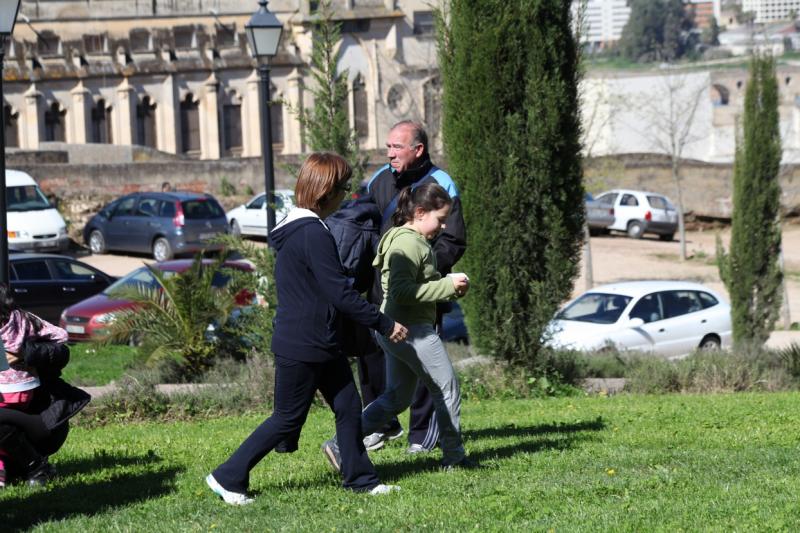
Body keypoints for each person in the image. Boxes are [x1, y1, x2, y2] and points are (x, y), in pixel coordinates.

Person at [206, 153, 408, 505]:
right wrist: (384, 322)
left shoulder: (299, 228)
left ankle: (360, 479)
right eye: (343, 188)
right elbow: (340, 293)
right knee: (286, 419)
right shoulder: (313, 233)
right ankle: (228, 476)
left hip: (320, 340)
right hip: (305, 343)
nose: (346, 195)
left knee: (348, 405)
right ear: (324, 191)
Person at [322, 182, 475, 470]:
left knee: (396, 397)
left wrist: (446, 287)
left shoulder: (405, 239)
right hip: (412, 330)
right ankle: (455, 458)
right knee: (447, 389)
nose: (442, 227)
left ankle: (339, 444)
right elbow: (401, 291)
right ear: (419, 212)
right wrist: (447, 286)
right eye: (440, 220)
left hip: (398, 329)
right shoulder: (407, 243)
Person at [359, 120, 467, 453]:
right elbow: (363, 226)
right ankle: (376, 428)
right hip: (379, 294)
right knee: (374, 363)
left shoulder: (442, 183)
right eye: (388, 146)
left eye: (396, 147)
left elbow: (453, 239)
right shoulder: (378, 181)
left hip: (421, 296)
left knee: (426, 372)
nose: (389, 153)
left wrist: (424, 268)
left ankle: (421, 436)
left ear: (417, 149)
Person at [0, 284, 75, 487]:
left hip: (39, 416)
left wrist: (26, 354)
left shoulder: (22, 323)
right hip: (21, 396)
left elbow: (61, 347)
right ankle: (13, 467)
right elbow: (60, 334)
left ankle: (37, 468)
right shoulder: (25, 319)